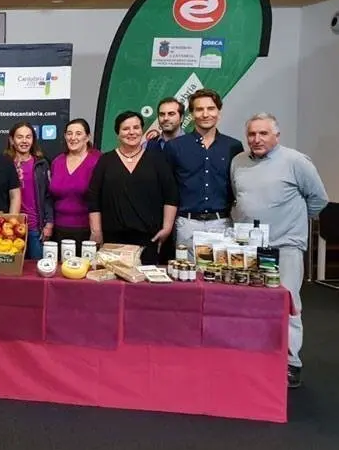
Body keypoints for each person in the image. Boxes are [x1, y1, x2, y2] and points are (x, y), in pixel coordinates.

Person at [231, 113, 328, 389]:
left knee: (287, 304)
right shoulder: (238, 162)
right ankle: (257, 355)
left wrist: (292, 226)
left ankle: (290, 362)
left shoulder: (296, 162)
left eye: (263, 133)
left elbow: (318, 199)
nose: (257, 139)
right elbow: (238, 198)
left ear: (277, 135)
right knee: (251, 305)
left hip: (285, 246)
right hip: (249, 247)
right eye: (252, 134)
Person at [87, 111, 179, 265]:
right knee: (114, 285)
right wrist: (96, 231)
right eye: (125, 128)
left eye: (136, 127)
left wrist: (167, 228)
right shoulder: (106, 160)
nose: (131, 132)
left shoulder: (156, 159)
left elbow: (171, 195)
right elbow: (94, 197)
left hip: (149, 238)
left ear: (142, 130)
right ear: (118, 133)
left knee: (144, 286)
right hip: (112, 239)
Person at [164, 89, 244, 261]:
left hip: (222, 223)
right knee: (186, 280)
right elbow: (167, 189)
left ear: (219, 112)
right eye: (199, 109)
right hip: (187, 224)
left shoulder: (233, 146)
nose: (205, 114)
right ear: (191, 114)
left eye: (211, 108)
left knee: (220, 281)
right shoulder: (175, 147)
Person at [5, 121, 53, 259]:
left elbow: (48, 196)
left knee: (35, 273)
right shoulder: (3, 163)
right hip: (9, 228)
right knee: (11, 274)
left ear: (33, 140)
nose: (24, 141)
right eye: (20, 137)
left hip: (35, 228)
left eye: (28, 137)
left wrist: (49, 224)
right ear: (12, 140)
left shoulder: (41, 164)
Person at [48, 119, 100, 244]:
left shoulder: (98, 160)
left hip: (88, 231)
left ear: (87, 137)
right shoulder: (57, 162)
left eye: (78, 133)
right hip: (58, 230)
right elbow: (50, 197)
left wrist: (97, 231)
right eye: (69, 133)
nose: (73, 137)